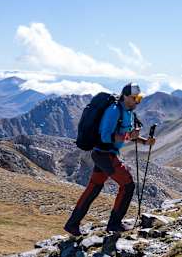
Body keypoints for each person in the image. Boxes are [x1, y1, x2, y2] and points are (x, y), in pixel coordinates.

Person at [64, 83, 155, 235]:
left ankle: (72, 225)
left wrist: (144, 141)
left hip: (105, 155)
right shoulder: (114, 111)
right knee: (128, 185)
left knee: (94, 188)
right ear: (125, 97)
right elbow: (105, 136)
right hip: (104, 154)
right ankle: (114, 224)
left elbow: (129, 134)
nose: (137, 102)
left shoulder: (129, 112)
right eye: (135, 98)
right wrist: (128, 136)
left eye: (139, 98)